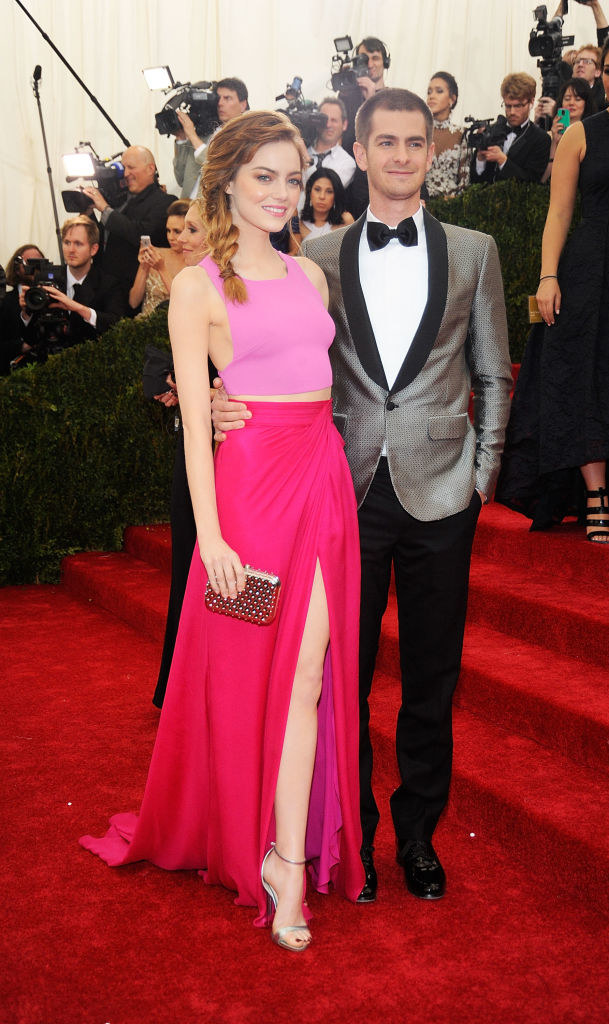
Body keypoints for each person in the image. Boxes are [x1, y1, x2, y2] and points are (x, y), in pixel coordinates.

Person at [212, 89, 512, 903]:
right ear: (362, 149)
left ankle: (417, 835)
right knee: (338, 674)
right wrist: (215, 396)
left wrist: (479, 481)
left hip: (443, 495)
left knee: (430, 677)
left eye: (416, 142)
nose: (402, 156)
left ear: (429, 149)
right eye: (387, 141)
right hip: (336, 492)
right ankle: (354, 842)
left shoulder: (477, 251)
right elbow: (267, 349)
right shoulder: (318, 256)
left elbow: (492, 371)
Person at [80, 111, 365, 952]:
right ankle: (253, 839)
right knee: (250, 677)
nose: (281, 193)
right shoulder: (197, 285)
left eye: (293, 176)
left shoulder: (310, 275)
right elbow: (197, 422)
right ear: (228, 180)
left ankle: (283, 856)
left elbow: (316, 383)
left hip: (320, 483)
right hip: (246, 497)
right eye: (264, 177)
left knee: (310, 676)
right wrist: (210, 537)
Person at [496, 21, 609, 543]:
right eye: (608, 70)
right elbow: (558, 216)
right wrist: (547, 276)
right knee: (590, 377)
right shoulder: (581, 132)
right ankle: (596, 495)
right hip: (591, 266)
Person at [151, 202, 213, 710]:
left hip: (235, 452)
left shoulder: (230, 291)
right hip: (192, 447)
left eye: (193, 229)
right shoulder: (186, 288)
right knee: (188, 567)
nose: (182, 239)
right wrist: (174, 382)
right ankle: (181, 685)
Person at [84, 146, 176, 307]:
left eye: (131, 167)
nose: (126, 174)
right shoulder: (120, 201)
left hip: (133, 290)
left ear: (150, 169)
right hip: (105, 286)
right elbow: (104, 239)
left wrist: (106, 210)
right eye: (124, 167)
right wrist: (89, 213)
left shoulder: (165, 202)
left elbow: (142, 234)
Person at [38, 216, 127, 345]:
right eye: (67, 242)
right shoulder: (46, 278)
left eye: (78, 244)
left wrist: (78, 308)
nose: (71, 250)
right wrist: (26, 314)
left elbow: (116, 324)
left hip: (90, 358)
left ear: (94, 249)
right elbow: (30, 335)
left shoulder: (108, 284)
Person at [174, 77, 249, 199]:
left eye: (227, 98)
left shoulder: (247, 137)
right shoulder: (205, 135)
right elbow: (181, 179)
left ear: (243, 105)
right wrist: (181, 138)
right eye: (218, 98)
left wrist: (192, 135)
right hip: (186, 208)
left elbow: (220, 170)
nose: (220, 103)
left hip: (212, 212)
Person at [471, 73, 551, 184]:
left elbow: (532, 183)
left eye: (518, 106)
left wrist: (502, 160)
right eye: (508, 106)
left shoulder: (541, 139)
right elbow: (474, 181)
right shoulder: (491, 131)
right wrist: (480, 160)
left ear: (531, 102)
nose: (512, 112)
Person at [129, 199, 190, 315]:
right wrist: (143, 267)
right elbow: (133, 302)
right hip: (144, 326)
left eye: (177, 231)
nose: (170, 237)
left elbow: (186, 305)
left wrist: (161, 269)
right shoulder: (155, 254)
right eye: (168, 230)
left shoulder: (196, 263)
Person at [425, 71, 471, 199]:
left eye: (439, 91)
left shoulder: (462, 134)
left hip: (452, 209)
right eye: (429, 92)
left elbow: (464, 182)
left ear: (452, 98)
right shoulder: (420, 133)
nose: (431, 96)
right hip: (420, 206)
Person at [541, 77, 597, 182]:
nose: (571, 103)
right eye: (567, 98)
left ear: (586, 103)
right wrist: (555, 143)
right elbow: (544, 180)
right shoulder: (548, 136)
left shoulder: (592, 134)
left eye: (577, 99)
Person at [0, 243, 45, 372]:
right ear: (17, 269)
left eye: (39, 262)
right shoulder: (5, 301)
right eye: (29, 262)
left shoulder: (55, 297)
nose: (35, 267)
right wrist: (20, 346)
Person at [304, 97, 356, 192]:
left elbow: (321, 191)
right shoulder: (300, 152)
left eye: (334, 120)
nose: (328, 125)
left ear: (344, 125)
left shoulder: (347, 163)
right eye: (324, 119)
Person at [295, 168, 353, 243]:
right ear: (309, 192)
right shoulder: (299, 224)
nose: (322, 196)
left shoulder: (345, 220)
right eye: (317, 189)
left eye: (329, 191)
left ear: (336, 195)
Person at [573, 45, 608, 111]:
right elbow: (564, 121)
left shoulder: (604, 102)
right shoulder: (563, 92)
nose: (580, 65)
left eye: (587, 62)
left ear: (597, 72)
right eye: (577, 61)